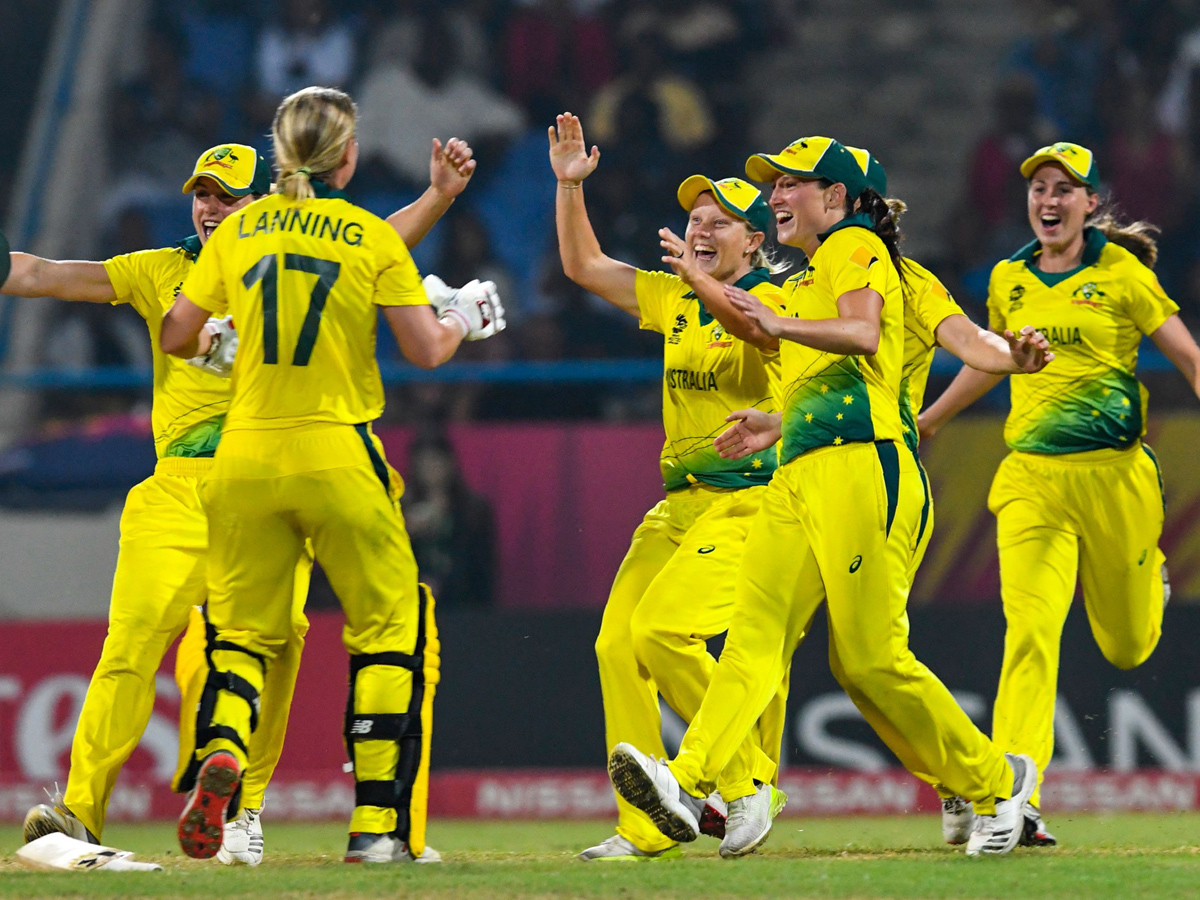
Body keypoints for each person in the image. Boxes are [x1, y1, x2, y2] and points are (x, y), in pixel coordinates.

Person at [8, 131, 483, 865]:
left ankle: (239, 809)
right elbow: (43, 273)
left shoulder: (290, 262)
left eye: (227, 195)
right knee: (133, 644)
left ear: (261, 201)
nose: (209, 207)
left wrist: (439, 198)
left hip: (259, 479)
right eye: (201, 192)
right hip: (177, 490)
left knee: (258, 649)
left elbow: (375, 242)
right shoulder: (159, 270)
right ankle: (79, 813)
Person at [607, 136, 1040, 859]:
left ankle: (999, 780)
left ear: (835, 199)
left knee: (870, 663)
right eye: (773, 186)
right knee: (756, 641)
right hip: (802, 470)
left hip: (865, 470)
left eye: (791, 184)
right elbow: (905, 354)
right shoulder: (812, 276)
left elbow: (875, 336)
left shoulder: (855, 246)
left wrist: (1010, 357)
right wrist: (777, 421)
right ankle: (686, 781)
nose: (775, 196)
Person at [159, 85, 505, 865]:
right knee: (390, 627)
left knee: (240, 635)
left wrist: (226, 341)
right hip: (336, 451)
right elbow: (422, 350)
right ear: (348, 156)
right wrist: (461, 320)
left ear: (279, 155)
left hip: (244, 454)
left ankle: (223, 755)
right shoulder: (364, 234)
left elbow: (179, 332)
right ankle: (377, 829)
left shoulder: (238, 230)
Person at [918, 141, 1200, 844]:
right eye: (1040, 188)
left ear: (1090, 204)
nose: (1049, 200)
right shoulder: (1009, 278)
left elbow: (1190, 357)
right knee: (1031, 633)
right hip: (1031, 479)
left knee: (1130, 646)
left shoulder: (1121, 272)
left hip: (1116, 479)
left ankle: (1148, 577)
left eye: (1065, 189)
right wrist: (928, 420)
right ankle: (1014, 796)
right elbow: (994, 363)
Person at [549, 111, 789, 860]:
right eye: (694, 218)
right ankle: (647, 825)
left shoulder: (774, 303)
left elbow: (792, 371)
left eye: (723, 221)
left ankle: (746, 783)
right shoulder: (675, 296)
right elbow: (584, 267)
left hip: (749, 501)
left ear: (756, 241)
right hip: (678, 504)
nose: (703, 228)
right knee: (616, 644)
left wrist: (777, 419)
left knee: (662, 631)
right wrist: (569, 188)